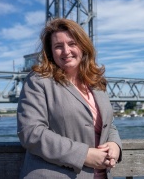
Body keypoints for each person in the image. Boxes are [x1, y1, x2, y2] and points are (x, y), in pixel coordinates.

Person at [17, 18, 122, 179]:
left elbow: (109, 125)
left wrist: (115, 145)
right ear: (51, 52)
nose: (66, 51)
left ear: (83, 46)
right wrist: (84, 154)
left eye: (72, 44)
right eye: (58, 46)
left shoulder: (96, 82)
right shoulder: (38, 80)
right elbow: (31, 132)